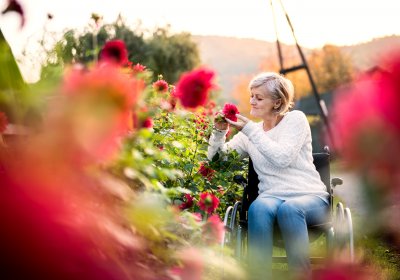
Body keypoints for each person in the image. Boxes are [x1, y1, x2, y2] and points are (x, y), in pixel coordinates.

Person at [208, 72, 329, 279]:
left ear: (277, 102)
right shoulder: (250, 133)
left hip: (309, 197)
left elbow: (282, 158)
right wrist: (219, 133)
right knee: (258, 207)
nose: (252, 101)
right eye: (251, 95)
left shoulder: (295, 120)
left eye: (259, 97)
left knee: (290, 209)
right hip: (271, 197)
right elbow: (219, 162)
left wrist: (250, 132)